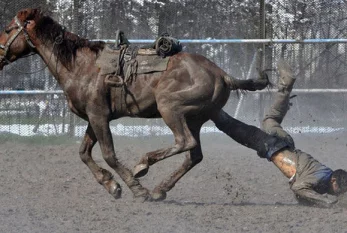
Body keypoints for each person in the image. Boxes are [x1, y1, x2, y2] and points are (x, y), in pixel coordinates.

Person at [212, 61, 347, 208]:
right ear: (334, 181)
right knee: (242, 131)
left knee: (270, 119)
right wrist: (328, 202)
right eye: (339, 190)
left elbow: (301, 194)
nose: (338, 194)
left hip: (286, 145)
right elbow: (298, 188)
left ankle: (285, 88)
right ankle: (213, 111)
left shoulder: (324, 174)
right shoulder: (320, 178)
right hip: (275, 147)